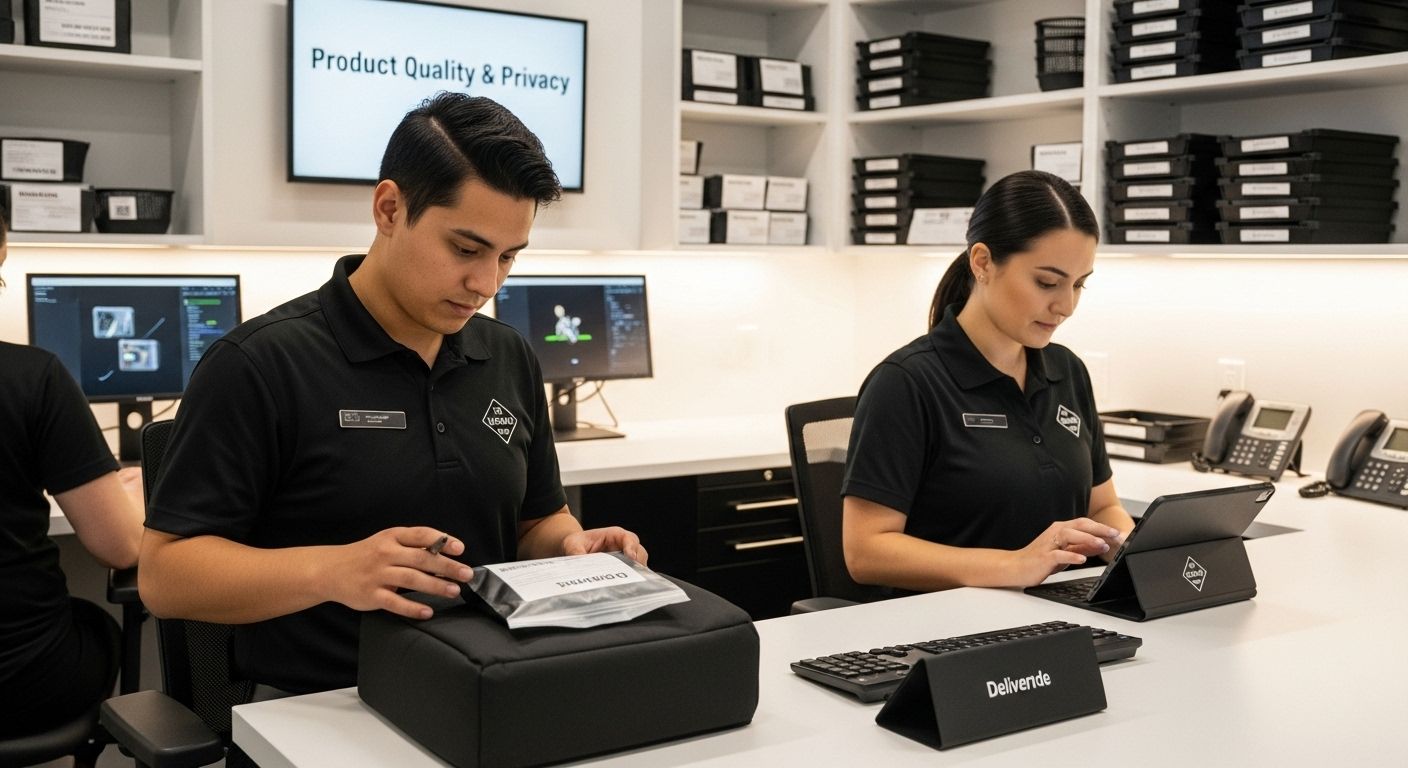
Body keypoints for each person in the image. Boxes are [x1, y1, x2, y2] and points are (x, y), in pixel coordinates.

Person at [139, 93, 647, 696]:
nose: (485, 283)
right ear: (388, 208)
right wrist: (333, 570)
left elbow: (536, 516)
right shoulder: (260, 365)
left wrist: (570, 546)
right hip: (324, 704)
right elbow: (166, 576)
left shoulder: (506, 355)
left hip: (488, 684)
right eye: (465, 249)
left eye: (508, 257)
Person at [841, 170, 1136, 593]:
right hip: (944, 632)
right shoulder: (906, 383)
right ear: (982, 262)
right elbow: (866, 551)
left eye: (1078, 285)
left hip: (1057, 616)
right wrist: (1011, 566)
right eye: (1047, 282)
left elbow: (1102, 504)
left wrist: (1129, 550)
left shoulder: (1067, 370)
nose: (1066, 305)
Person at [0, 216, 146, 738]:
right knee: (97, 626)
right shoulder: (31, 378)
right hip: (22, 683)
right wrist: (130, 497)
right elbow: (122, 547)